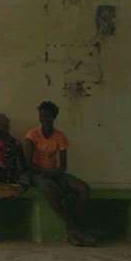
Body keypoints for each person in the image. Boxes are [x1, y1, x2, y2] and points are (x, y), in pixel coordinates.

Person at [23, 101, 95, 247]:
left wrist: (55, 173)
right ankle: (73, 228)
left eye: (47, 116)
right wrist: (45, 173)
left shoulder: (60, 136)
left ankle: (74, 227)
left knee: (83, 189)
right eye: (41, 116)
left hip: (55, 173)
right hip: (37, 174)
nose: (44, 119)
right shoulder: (32, 135)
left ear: (54, 117)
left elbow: (63, 165)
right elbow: (29, 163)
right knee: (50, 189)